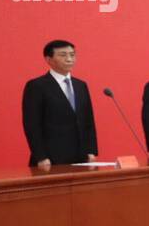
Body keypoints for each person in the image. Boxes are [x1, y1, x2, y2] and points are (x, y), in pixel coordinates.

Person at [21, 39, 98, 169]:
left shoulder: (81, 85)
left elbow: (88, 120)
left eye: (72, 55)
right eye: (63, 55)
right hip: (51, 158)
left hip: (81, 156)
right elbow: (32, 125)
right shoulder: (37, 86)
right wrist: (41, 156)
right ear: (48, 59)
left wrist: (91, 150)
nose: (69, 59)